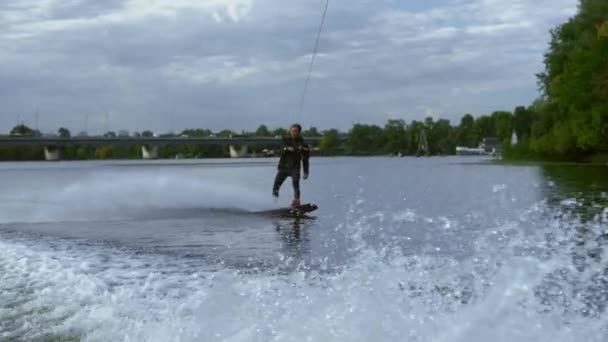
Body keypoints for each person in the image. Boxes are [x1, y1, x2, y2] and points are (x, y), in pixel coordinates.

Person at [272, 123, 310, 208]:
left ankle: (296, 202)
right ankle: (273, 203)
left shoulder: (303, 144)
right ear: (290, 131)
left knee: (295, 183)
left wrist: (306, 172)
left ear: (299, 132)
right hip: (283, 167)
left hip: (295, 168)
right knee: (276, 186)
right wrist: (286, 149)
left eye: (295, 131)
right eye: (292, 131)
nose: (293, 133)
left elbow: (305, 160)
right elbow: (278, 151)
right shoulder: (285, 140)